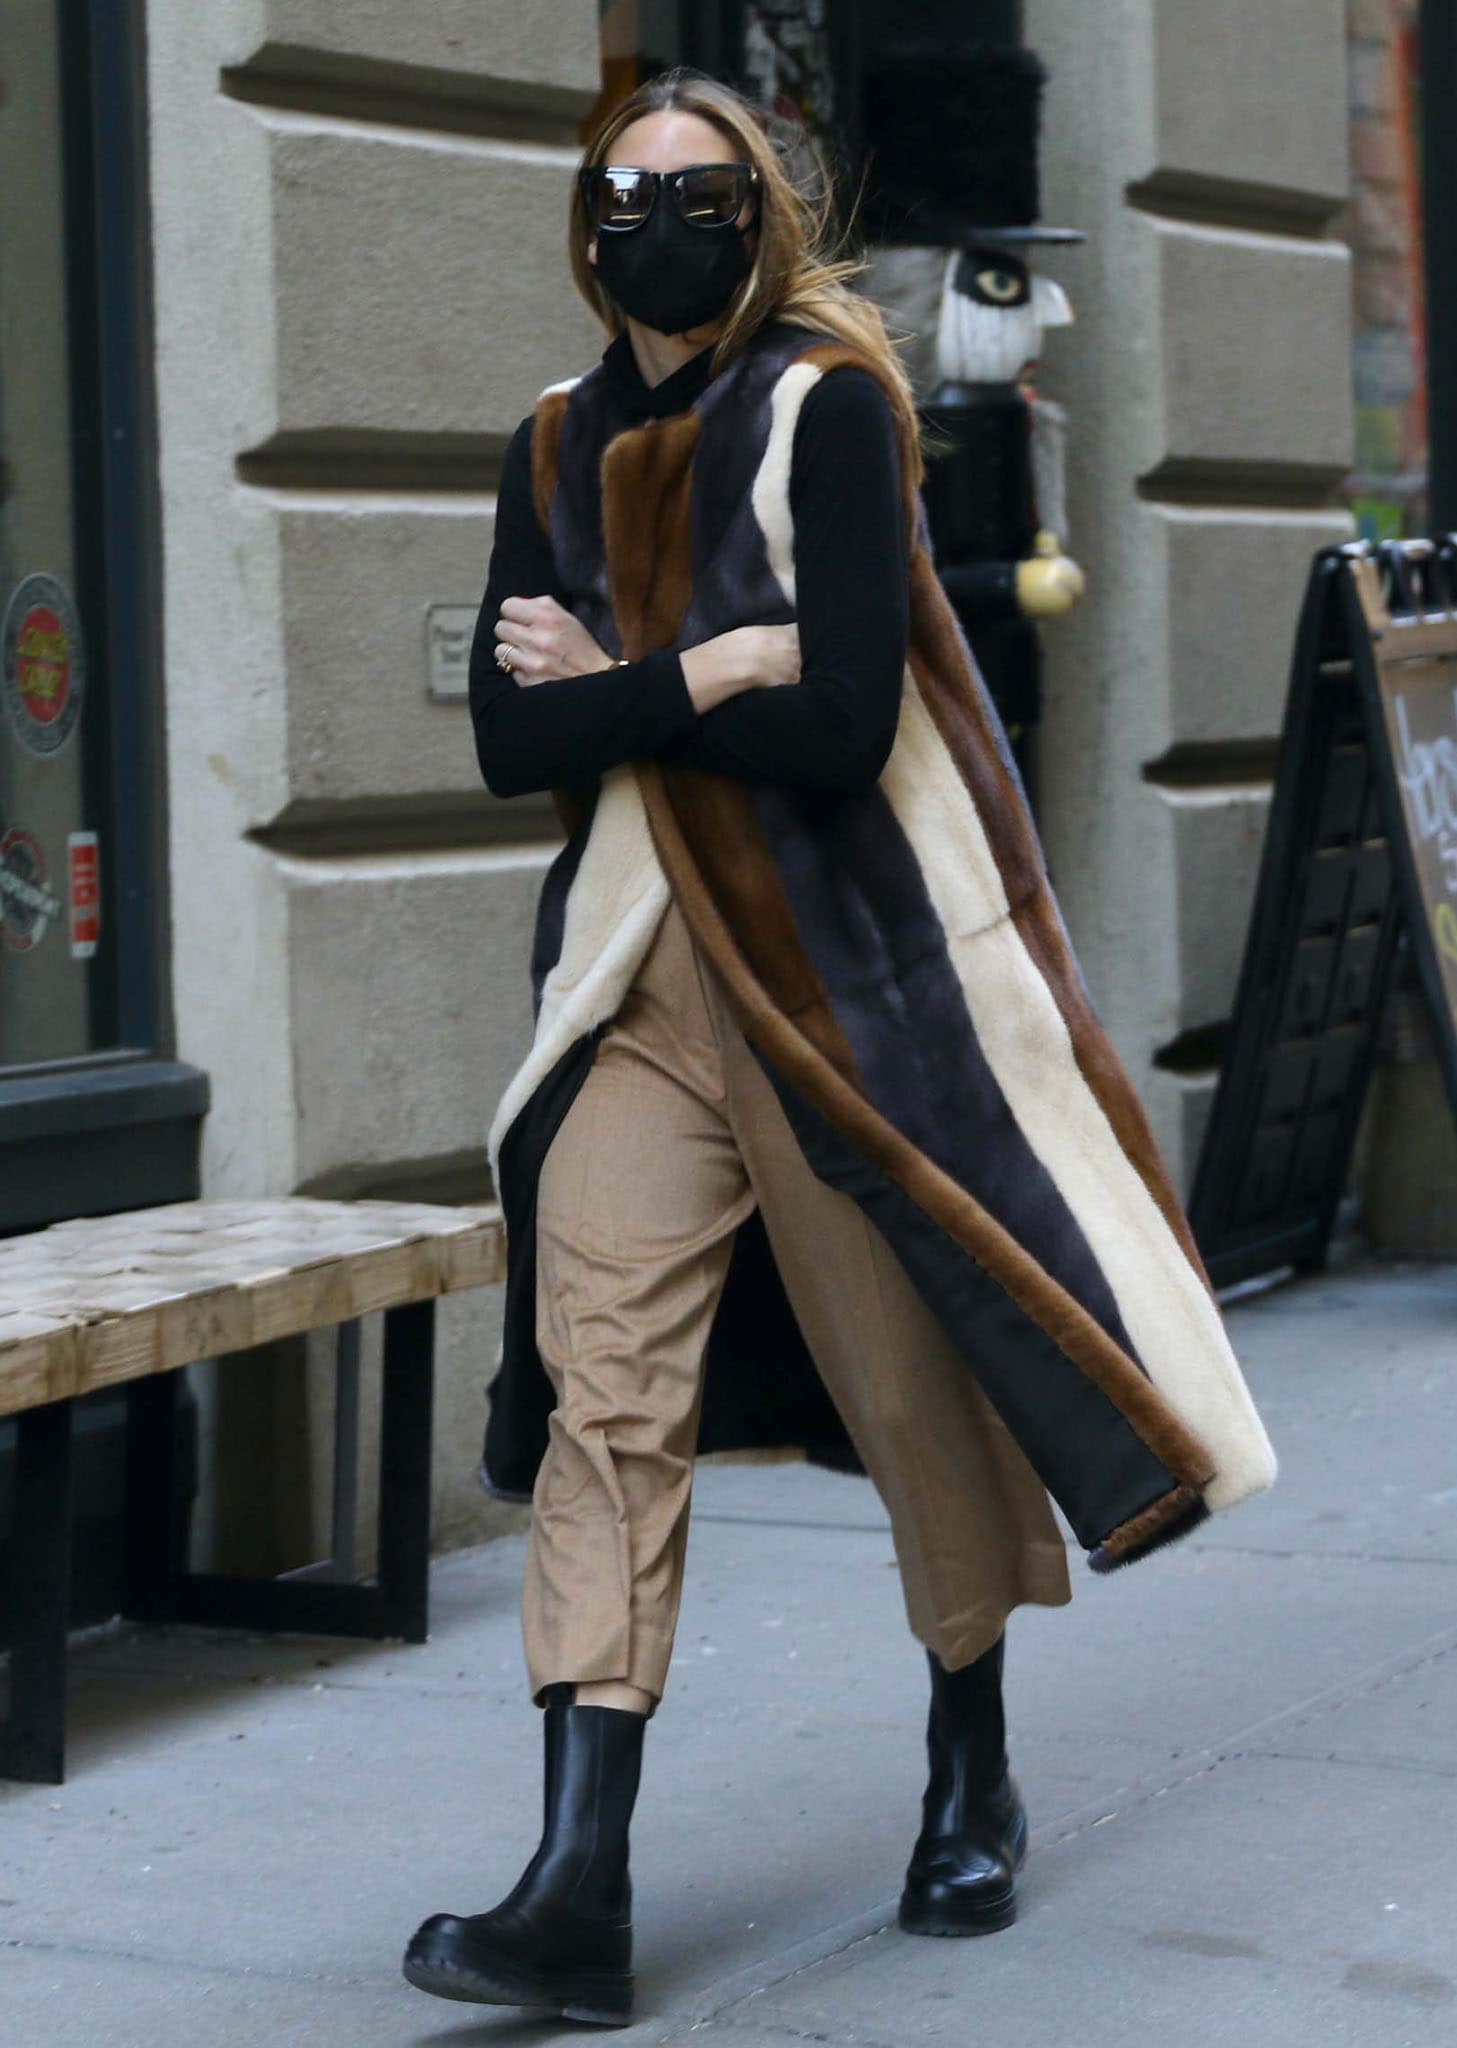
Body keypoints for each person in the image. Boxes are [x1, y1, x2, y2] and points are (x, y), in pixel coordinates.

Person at [402, 68, 1275, 2027]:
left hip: (830, 978)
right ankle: (580, 1873)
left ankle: (970, 1754)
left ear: (761, 218)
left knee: (909, 1388)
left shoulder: (832, 405)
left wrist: (621, 689)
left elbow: (846, 708)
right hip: (633, 977)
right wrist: (701, 664)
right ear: (586, 219)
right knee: (598, 1388)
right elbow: (502, 738)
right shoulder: (547, 440)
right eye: (624, 193)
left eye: (700, 192)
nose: (658, 221)